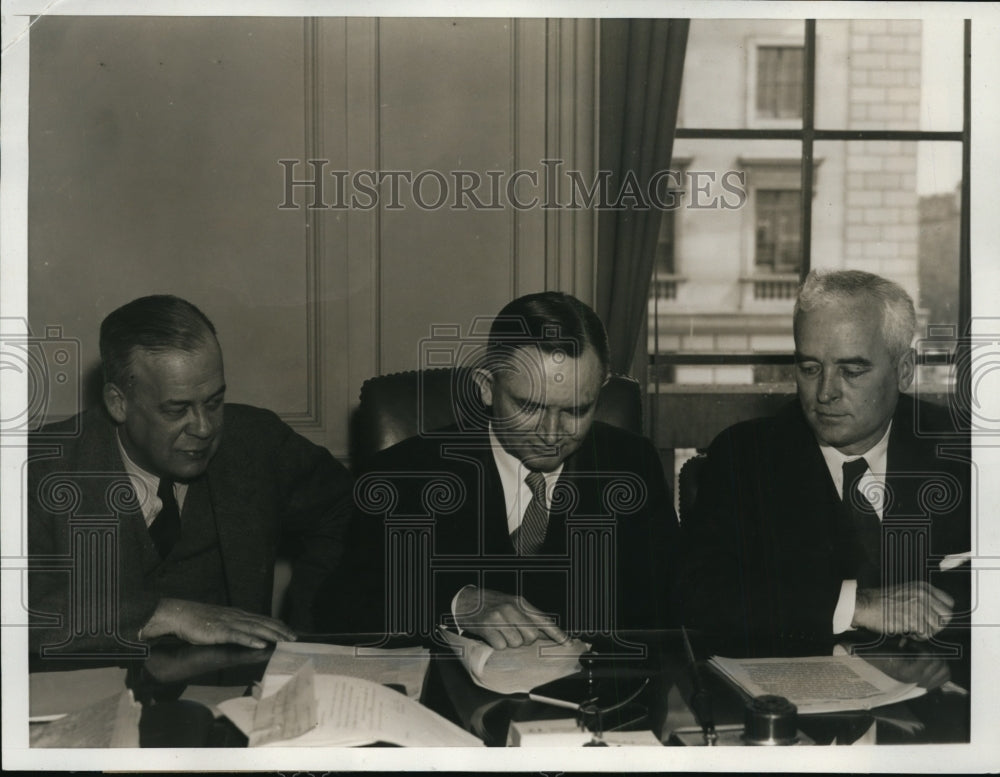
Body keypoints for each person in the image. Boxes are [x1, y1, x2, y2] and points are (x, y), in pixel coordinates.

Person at [330, 291, 679, 649]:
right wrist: (455, 603)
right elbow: (341, 610)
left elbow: (667, 608)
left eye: (575, 410)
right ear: (486, 388)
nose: (551, 435)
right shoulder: (405, 472)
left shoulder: (632, 464)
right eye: (528, 407)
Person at [28, 295, 354, 656]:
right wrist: (165, 614)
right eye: (176, 409)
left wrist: (310, 620)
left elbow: (347, 509)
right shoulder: (38, 468)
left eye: (214, 402)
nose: (204, 428)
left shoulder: (258, 442)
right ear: (118, 403)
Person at [681, 270, 970, 656]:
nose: (825, 392)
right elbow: (700, 594)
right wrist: (856, 606)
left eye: (852, 371)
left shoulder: (964, 449)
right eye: (810, 369)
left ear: (903, 371)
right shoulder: (745, 455)